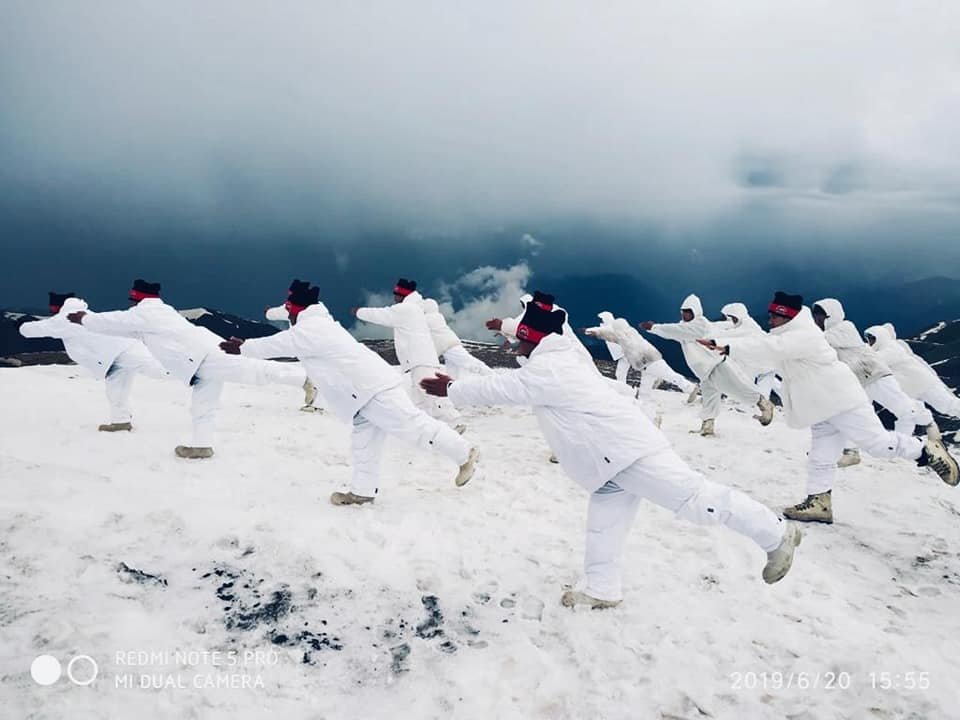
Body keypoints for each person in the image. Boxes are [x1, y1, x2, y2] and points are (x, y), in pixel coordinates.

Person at [421, 298, 801, 608]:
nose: (517, 346)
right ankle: (602, 589)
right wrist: (501, 333)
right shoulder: (558, 355)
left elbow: (504, 389)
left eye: (520, 339)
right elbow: (522, 361)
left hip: (627, 453)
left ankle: (776, 533)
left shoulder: (548, 369)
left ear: (531, 340)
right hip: (610, 462)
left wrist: (452, 390)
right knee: (603, 526)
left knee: (696, 501)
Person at [699, 292, 959, 524]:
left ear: (787, 317)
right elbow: (764, 347)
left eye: (774, 316)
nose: (770, 320)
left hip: (841, 401)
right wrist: (720, 342)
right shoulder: (788, 335)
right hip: (821, 407)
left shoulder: (805, 335)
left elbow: (770, 348)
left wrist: (727, 346)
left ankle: (925, 449)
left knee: (878, 444)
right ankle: (819, 502)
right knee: (821, 457)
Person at [222, 280, 480, 505]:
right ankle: (362, 492)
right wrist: (269, 315)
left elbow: (280, 344)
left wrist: (243, 348)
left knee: (413, 426)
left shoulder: (312, 330)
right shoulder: (313, 319)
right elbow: (285, 315)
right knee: (364, 445)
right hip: (362, 394)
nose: (286, 311)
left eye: (288, 308)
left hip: (373, 389)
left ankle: (464, 453)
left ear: (297, 308)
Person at [68, 279, 305, 459]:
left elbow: (114, 321)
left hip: (203, 358)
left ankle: (304, 379)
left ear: (137, 298)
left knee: (253, 371)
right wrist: (89, 323)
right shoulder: (156, 312)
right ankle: (201, 446)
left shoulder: (146, 313)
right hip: (199, 361)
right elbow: (118, 327)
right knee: (204, 405)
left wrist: (84, 319)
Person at [813, 299, 937, 468]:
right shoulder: (826, 334)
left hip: (876, 375)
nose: (816, 319)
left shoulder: (843, 329)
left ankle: (930, 427)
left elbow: (820, 341)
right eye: (815, 315)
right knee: (851, 413)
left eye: (820, 315)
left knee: (902, 406)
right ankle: (851, 452)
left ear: (830, 316)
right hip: (858, 381)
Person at [19, 291, 168, 431]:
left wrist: (21, 326)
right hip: (115, 359)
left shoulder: (67, 318)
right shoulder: (83, 314)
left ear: (57, 306)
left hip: (124, 352)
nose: (51, 310)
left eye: (52, 307)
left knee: (163, 372)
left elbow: (35, 329)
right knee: (116, 392)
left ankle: (186, 377)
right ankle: (121, 422)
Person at [641, 295, 774, 436]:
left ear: (696, 312)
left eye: (688, 311)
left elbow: (674, 330)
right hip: (704, 371)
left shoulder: (699, 325)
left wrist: (654, 327)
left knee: (736, 389)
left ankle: (764, 404)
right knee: (709, 399)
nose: (685, 314)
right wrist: (655, 329)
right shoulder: (684, 327)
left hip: (716, 366)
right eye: (683, 311)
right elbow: (672, 332)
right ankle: (707, 426)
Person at [353, 278, 462, 428]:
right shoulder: (414, 308)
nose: (394, 297)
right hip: (419, 359)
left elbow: (382, 315)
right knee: (419, 398)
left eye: (396, 294)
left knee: (429, 391)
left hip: (420, 359)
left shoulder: (406, 309)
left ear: (402, 294)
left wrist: (359, 312)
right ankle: (429, 428)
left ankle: (453, 422)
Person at [865, 324, 960, 423]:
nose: (870, 342)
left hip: (924, 383)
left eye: (872, 338)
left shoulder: (892, 348)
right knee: (920, 413)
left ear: (881, 337)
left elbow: (877, 361)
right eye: (868, 339)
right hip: (914, 387)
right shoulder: (882, 350)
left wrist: (861, 353)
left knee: (946, 404)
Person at [584, 312, 696, 394]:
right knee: (645, 388)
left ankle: (690, 388)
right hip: (647, 364)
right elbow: (607, 332)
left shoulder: (623, 337)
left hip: (650, 362)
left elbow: (607, 333)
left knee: (670, 375)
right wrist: (593, 331)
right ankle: (645, 405)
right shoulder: (631, 332)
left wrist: (591, 331)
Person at [265, 279, 322, 412]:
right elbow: (278, 312)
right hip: (313, 346)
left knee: (317, 373)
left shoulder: (294, 306)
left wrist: (267, 313)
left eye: (290, 292)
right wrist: (269, 313)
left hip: (308, 345)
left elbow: (277, 312)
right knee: (317, 372)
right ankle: (314, 401)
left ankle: (315, 401)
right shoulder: (314, 306)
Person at [716, 303, 782, 401]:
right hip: (766, 364)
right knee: (766, 388)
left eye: (730, 318)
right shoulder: (747, 324)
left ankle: (741, 401)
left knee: (747, 383)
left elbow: (726, 336)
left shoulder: (745, 328)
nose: (728, 321)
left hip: (758, 364)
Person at [421, 297, 491, 378]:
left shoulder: (428, 318)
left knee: (468, 362)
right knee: (453, 371)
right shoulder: (437, 316)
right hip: (447, 346)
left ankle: (489, 374)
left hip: (448, 346)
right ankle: (456, 384)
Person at [596, 311, 630, 383]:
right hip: (623, 354)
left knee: (621, 372)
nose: (601, 320)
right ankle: (622, 385)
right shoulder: (609, 327)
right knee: (620, 372)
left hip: (625, 352)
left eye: (602, 319)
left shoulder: (611, 327)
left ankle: (622, 386)